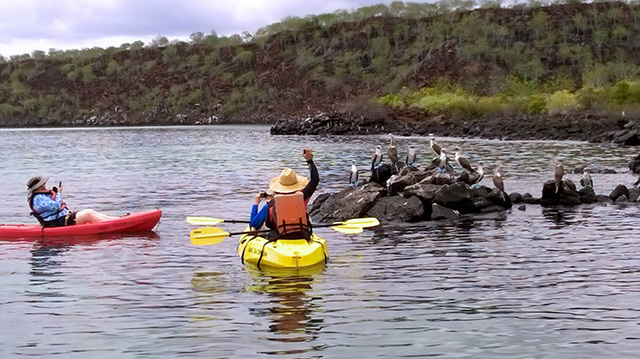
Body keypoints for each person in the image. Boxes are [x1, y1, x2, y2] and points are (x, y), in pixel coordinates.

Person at [250, 148, 319, 239]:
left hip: (280, 236)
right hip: (302, 234)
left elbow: (254, 223)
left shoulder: (270, 204)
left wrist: (256, 203)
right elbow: (315, 180)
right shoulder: (302, 197)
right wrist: (310, 161)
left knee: (260, 228)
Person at [27, 176, 118, 227]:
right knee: (88, 214)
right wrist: (58, 193)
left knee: (90, 211)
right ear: (40, 186)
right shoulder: (38, 199)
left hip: (61, 218)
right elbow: (56, 206)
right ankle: (114, 224)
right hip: (57, 222)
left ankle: (115, 220)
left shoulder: (42, 196)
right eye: (44, 184)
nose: (45, 185)